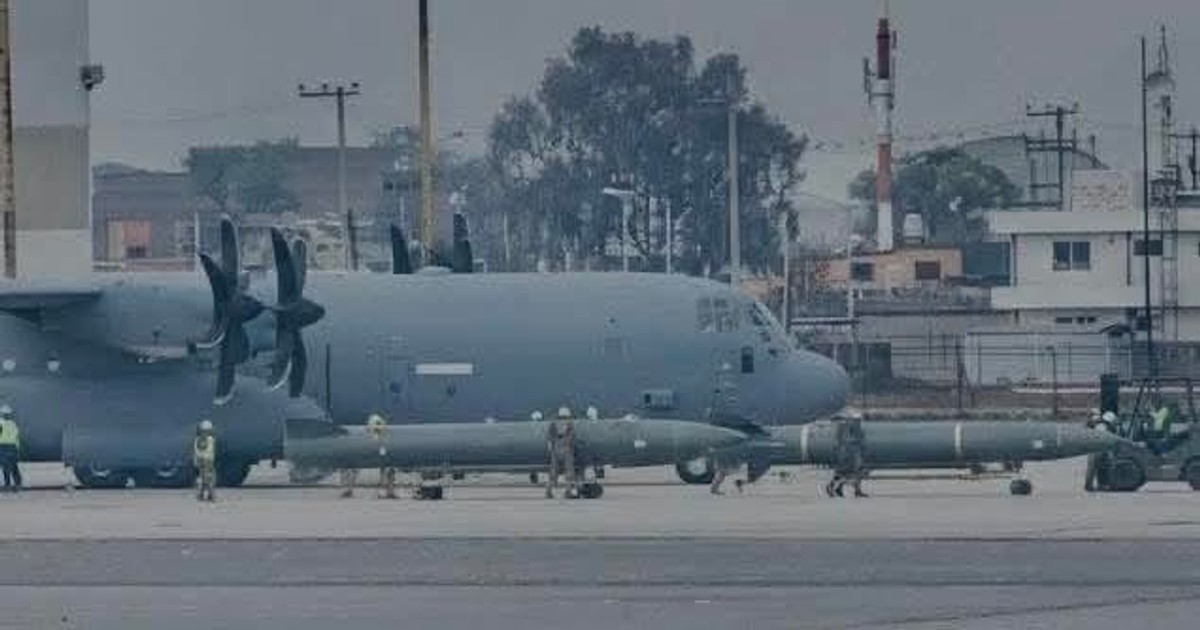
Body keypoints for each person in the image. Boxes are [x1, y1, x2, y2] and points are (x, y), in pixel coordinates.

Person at [827, 414, 868, 498]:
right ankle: (832, 487)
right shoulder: (845, 427)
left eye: (859, 420)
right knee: (843, 473)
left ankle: (855, 490)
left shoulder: (855, 428)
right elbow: (843, 441)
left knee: (857, 472)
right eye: (857, 420)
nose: (858, 421)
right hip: (847, 454)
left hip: (853, 453)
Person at [545, 407, 578, 499]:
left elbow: (549, 436)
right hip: (566, 449)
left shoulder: (553, 423)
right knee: (569, 472)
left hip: (555, 449)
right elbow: (572, 437)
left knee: (553, 472)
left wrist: (551, 446)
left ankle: (548, 492)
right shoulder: (570, 423)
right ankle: (568, 492)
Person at [367, 414, 397, 499]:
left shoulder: (383, 427)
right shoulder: (376, 427)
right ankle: (384, 492)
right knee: (384, 472)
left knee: (390, 471)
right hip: (382, 450)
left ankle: (390, 491)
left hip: (386, 450)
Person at [1084, 412, 1116, 492]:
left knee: (1093, 468)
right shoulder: (1102, 427)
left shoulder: (1098, 424)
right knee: (1099, 467)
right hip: (1098, 449)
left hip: (1093, 448)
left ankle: (1092, 485)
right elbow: (1103, 439)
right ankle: (1096, 485)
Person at [192, 420, 217, 502]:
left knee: (203, 478)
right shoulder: (209, 439)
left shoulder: (197, 439)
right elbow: (208, 450)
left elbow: (197, 451)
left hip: (201, 460)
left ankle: (201, 495)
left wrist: (196, 460)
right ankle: (211, 495)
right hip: (207, 460)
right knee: (209, 478)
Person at [0, 405, 20, 492]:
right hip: (13, 447)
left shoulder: (0, 423)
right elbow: (17, 437)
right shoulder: (13, 424)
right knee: (14, 467)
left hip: (3, 447)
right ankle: (17, 485)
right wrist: (17, 449)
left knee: (5, 467)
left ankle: (7, 486)